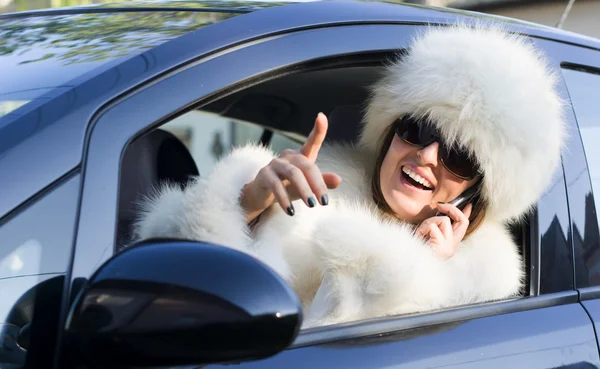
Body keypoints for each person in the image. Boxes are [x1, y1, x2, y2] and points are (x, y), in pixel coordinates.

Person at [131, 23, 567, 328]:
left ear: (475, 192)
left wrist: (416, 268)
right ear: (389, 131)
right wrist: (244, 205)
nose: (427, 154)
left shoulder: (479, 283)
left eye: (459, 156)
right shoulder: (308, 191)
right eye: (417, 129)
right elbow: (162, 300)